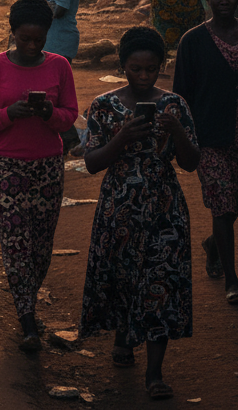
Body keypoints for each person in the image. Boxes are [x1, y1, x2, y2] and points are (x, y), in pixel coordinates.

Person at [79, 26, 199, 402]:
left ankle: (154, 373)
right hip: (119, 206)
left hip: (165, 207)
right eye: (136, 69)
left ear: (161, 66)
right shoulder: (103, 105)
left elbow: (191, 162)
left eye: (151, 69)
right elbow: (92, 163)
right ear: (122, 66)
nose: (144, 76)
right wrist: (122, 137)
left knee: (160, 282)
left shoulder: (175, 104)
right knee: (122, 277)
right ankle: (122, 338)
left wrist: (177, 129)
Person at [0, 0, 79, 350]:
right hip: (6, 164)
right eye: (25, 39)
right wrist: (10, 114)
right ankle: (27, 318)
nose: (32, 46)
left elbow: (69, 117)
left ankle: (28, 299)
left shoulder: (60, 67)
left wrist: (48, 111)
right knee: (16, 242)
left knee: (41, 245)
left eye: (39, 40)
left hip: (48, 164)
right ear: (13, 33)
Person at [173, 0, 238, 305]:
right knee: (222, 204)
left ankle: (214, 244)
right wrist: (184, 139)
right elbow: (181, 95)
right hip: (211, 137)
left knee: (235, 207)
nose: (225, 1)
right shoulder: (193, 41)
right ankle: (232, 280)